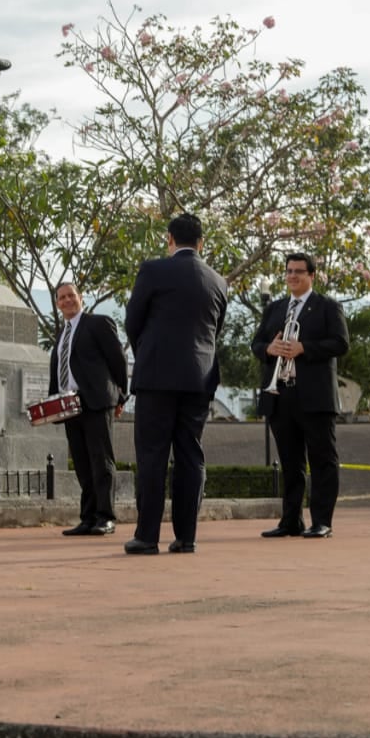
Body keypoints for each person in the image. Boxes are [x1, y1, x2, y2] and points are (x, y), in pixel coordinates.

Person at [123, 213, 228, 555]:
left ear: (169, 239)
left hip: (157, 376)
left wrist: (149, 354)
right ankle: (186, 536)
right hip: (199, 378)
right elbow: (216, 330)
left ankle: (147, 536)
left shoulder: (153, 270)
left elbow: (133, 321)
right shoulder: (218, 281)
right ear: (201, 243)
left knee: (153, 455)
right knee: (190, 455)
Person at [252, 252, 350, 539]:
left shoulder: (327, 307)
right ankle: (290, 520)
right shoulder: (275, 308)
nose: (292, 276)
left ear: (312, 276)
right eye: (288, 271)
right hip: (280, 395)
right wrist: (268, 349)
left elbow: (341, 343)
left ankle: (322, 521)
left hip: (315, 397)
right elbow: (256, 343)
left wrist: (303, 348)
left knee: (322, 460)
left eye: (298, 271)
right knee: (290, 462)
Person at [49, 282, 129, 537]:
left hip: (96, 401)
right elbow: (58, 371)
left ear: (80, 298)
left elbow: (118, 359)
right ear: (57, 304)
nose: (67, 300)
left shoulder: (98, 323)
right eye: (61, 298)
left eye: (71, 295)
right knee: (82, 464)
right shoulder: (61, 336)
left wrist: (120, 396)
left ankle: (106, 517)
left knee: (101, 461)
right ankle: (88, 517)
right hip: (70, 405)